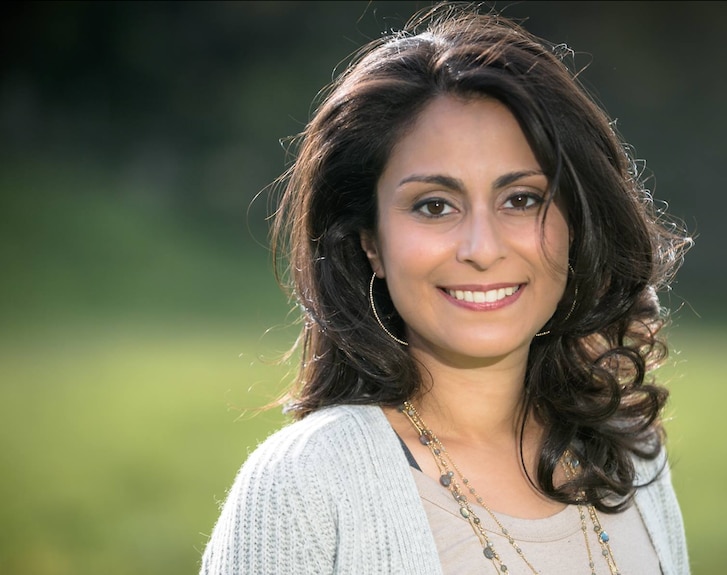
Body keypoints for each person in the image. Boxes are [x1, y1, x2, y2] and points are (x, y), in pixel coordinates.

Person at [200, 4, 692, 574]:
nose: (482, 248)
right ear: (371, 242)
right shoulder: (304, 483)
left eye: (522, 199)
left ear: (576, 225)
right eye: (434, 206)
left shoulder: (629, 458)